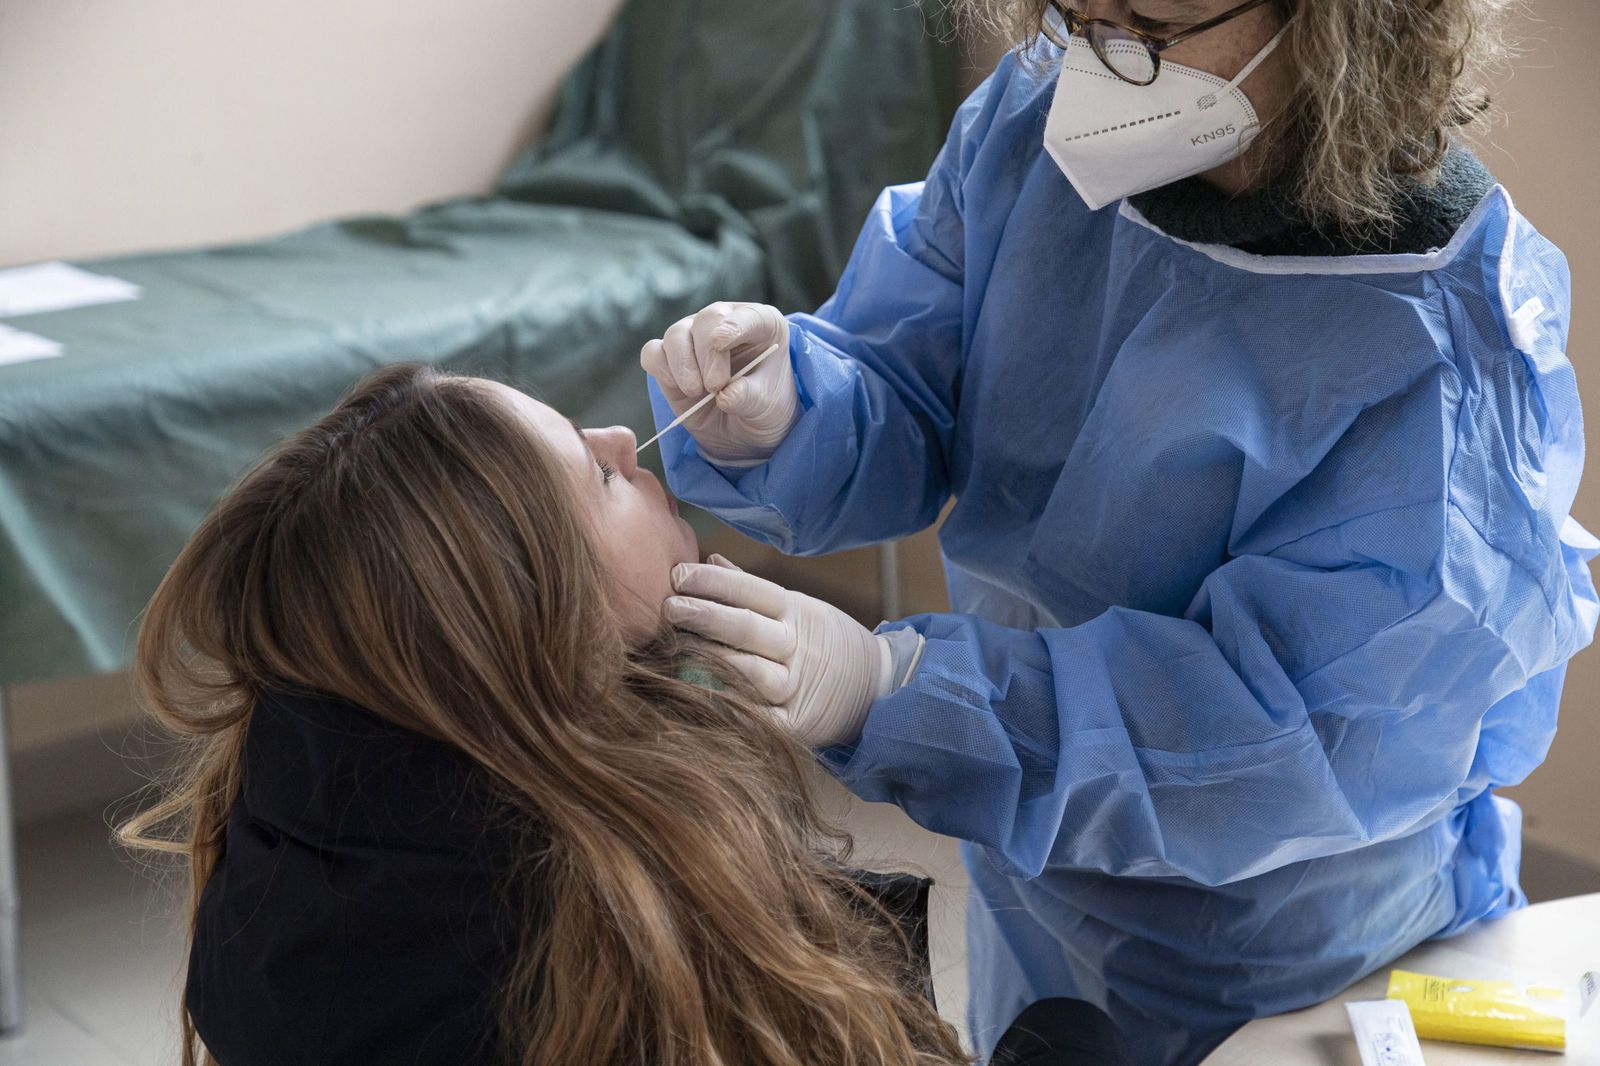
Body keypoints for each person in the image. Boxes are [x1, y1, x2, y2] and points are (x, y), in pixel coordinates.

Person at [639, 1, 1600, 1063]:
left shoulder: (1439, 363)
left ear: (1343, 24)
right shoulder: (1045, 124)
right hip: (1037, 869)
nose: (1097, 64)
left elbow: (1276, 737)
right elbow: (914, 374)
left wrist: (903, 691)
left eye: (1146, 23)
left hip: (1275, 947)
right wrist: (790, 408)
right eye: (1076, 12)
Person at [116, 364, 975, 1066]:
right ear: (542, 622)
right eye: (598, 475)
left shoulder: (291, 834)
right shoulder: (617, 919)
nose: (617, 438)